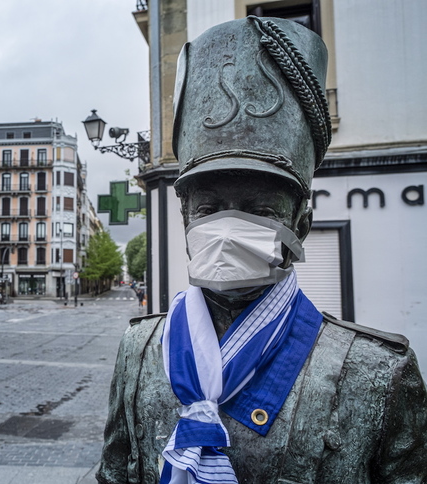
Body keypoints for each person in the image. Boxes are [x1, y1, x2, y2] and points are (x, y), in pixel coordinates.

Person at [96, 16, 427, 484]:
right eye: (209, 207)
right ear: (186, 219)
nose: (228, 228)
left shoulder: (378, 374)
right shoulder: (140, 350)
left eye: (260, 209)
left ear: (302, 226)